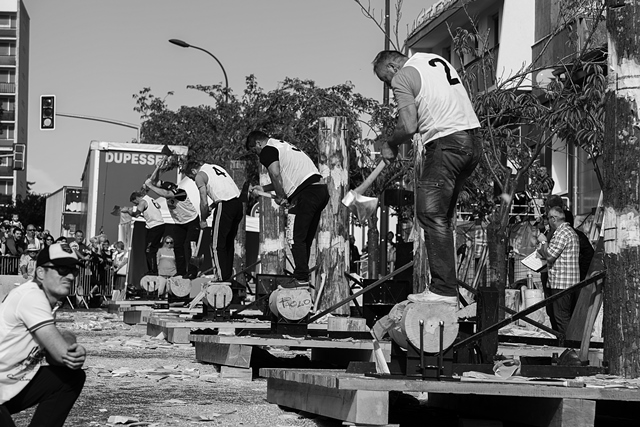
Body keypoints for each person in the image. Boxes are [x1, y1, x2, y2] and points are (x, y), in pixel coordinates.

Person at [372, 50, 481, 305]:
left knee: (430, 216)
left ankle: (443, 291)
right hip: (472, 143)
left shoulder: (402, 76)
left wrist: (390, 143)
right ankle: (446, 290)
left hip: (447, 144)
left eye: (384, 80)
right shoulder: (436, 62)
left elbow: (408, 126)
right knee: (441, 219)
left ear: (391, 67)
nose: (389, 86)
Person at [0, 243, 87, 427]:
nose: (71, 276)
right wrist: (70, 342)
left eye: (74, 270)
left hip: (6, 388)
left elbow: (57, 359)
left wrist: (67, 346)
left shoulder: (46, 301)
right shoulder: (32, 296)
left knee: (70, 378)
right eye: (62, 269)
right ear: (40, 273)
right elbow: (62, 354)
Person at [245, 131, 330, 286]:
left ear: (258, 143)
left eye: (254, 151)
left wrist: (281, 197)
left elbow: (275, 174)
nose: (257, 156)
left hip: (306, 193)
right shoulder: (282, 146)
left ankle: (301, 277)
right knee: (304, 239)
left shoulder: (267, 150)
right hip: (320, 191)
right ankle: (302, 274)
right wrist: (265, 187)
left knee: (294, 237)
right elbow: (285, 178)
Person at [182, 159, 242, 282]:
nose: (194, 181)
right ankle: (227, 275)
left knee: (216, 244)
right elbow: (225, 190)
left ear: (193, 171)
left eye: (192, 178)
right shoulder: (214, 167)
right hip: (237, 204)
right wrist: (213, 206)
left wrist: (203, 219)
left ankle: (220, 277)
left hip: (224, 205)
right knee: (227, 243)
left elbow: (203, 201)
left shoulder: (200, 175)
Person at [145, 158, 200, 279]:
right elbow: (154, 181)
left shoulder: (180, 192)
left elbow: (165, 194)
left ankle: (192, 271)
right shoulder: (167, 187)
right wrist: (158, 168)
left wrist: (150, 185)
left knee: (189, 245)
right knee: (178, 246)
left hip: (192, 221)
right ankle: (180, 272)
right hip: (179, 223)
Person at [536, 206, 580, 334]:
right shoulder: (568, 231)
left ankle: (568, 347)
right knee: (560, 316)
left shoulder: (562, 233)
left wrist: (544, 242)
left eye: (548, 218)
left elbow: (550, 256)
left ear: (554, 219)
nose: (547, 221)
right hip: (567, 282)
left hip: (562, 283)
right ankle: (566, 344)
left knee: (561, 317)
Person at [121, 191, 165, 275]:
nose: (135, 204)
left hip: (155, 226)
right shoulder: (150, 199)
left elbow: (136, 214)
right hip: (159, 225)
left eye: (135, 202)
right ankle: (152, 270)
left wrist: (128, 211)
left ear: (137, 198)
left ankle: (153, 271)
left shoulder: (143, 201)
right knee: (151, 249)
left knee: (149, 250)